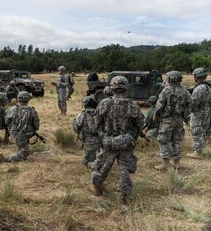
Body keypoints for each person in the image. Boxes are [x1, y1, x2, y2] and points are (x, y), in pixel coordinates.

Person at [89, 76, 144, 205]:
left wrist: (103, 136)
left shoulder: (104, 103)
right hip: (126, 142)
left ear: (112, 88)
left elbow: (97, 122)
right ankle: (123, 194)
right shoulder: (133, 105)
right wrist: (132, 137)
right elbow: (140, 124)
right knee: (125, 168)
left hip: (109, 141)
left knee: (103, 166)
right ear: (126, 88)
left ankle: (96, 188)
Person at [153, 71, 191, 170]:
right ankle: (177, 163)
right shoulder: (184, 91)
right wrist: (186, 118)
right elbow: (189, 104)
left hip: (167, 120)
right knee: (177, 141)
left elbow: (159, 105)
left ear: (170, 79)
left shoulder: (166, 90)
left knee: (164, 140)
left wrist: (155, 116)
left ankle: (166, 164)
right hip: (179, 119)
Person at [0, 91, 40, 163]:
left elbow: (7, 121)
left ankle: (18, 151)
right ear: (28, 99)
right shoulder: (32, 111)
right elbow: (36, 126)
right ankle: (3, 159)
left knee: (21, 149)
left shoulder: (13, 109)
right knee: (24, 154)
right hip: (25, 135)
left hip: (13, 134)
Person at [185, 68, 210, 159]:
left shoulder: (199, 88)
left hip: (198, 112)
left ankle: (198, 152)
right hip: (207, 111)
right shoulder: (208, 86)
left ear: (196, 76)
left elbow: (194, 102)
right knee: (203, 130)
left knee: (196, 130)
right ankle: (201, 149)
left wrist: (189, 111)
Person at [73, 96, 100, 168]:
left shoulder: (80, 115)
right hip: (99, 141)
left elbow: (76, 129)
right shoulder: (98, 114)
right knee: (95, 160)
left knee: (88, 160)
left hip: (86, 141)